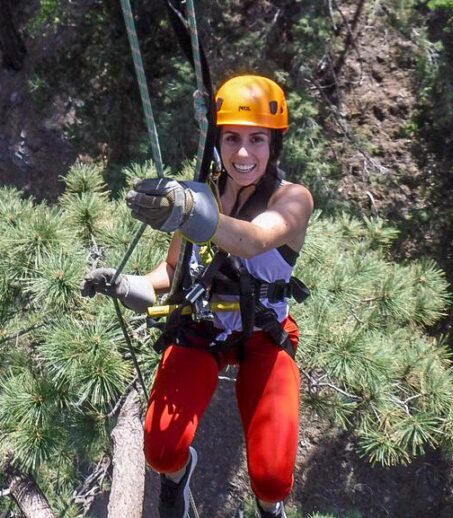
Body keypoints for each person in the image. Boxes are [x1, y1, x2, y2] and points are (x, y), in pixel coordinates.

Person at [81, 75, 313, 518]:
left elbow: (250, 241)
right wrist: (128, 284)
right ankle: (179, 475)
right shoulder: (200, 192)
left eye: (257, 140)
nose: (243, 153)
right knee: (162, 450)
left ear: (274, 144)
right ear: (218, 141)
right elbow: (171, 272)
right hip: (202, 324)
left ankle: (270, 510)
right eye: (232, 139)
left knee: (272, 477)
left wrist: (188, 211)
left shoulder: (293, 199)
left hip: (264, 330)